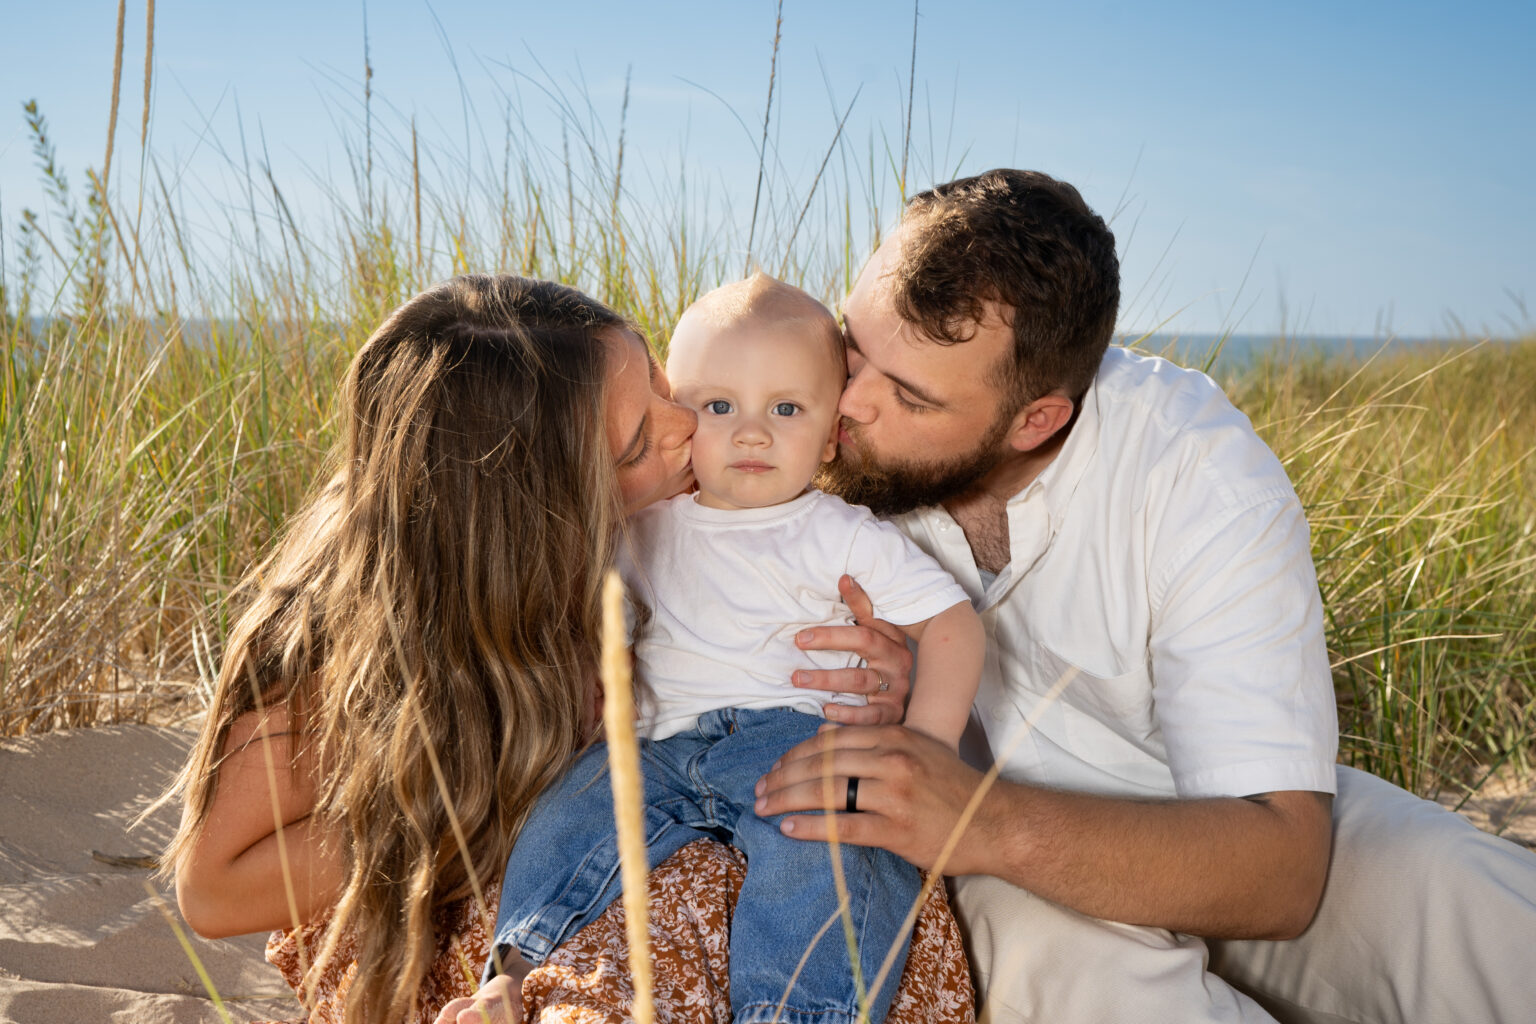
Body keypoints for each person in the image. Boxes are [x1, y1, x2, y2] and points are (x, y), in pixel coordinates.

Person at [755, 169, 1536, 1022]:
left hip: (1198, 828)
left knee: (1469, 904)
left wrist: (981, 819)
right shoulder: (793, 422)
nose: (850, 402)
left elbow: (1281, 867)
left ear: (1036, 421)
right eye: (854, 343)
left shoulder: (1196, 470)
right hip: (990, 876)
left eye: (909, 395)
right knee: (1085, 980)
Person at [167, 275, 972, 1024]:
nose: (688, 424)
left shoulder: (708, 482)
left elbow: (821, 573)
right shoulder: (347, 614)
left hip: (746, 812)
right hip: (544, 846)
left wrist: (882, 668)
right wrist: (493, 793)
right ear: (543, 503)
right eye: (634, 444)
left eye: (660, 383)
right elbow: (212, 893)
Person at [482, 273, 984, 1024]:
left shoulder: (838, 532)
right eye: (719, 406)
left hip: (790, 737)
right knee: (567, 817)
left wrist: (924, 749)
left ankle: (797, 1011)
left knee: (829, 850)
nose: (752, 432)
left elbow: (952, 624)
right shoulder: (643, 524)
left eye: (786, 409)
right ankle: (517, 969)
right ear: (679, 414)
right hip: (656, 740)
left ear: (831, 433)